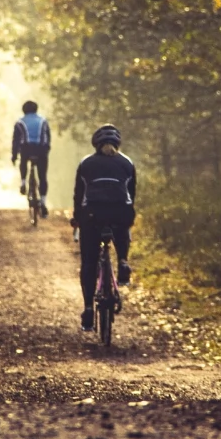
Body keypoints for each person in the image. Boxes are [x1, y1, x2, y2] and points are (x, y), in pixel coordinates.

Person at [69, 124, 135, 332]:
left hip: (92, 215)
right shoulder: (127, 163)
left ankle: (88, 310)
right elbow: (131, 195)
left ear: (95, 144)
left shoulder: (86, 163)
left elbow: (79, 195)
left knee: (89, 262)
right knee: (122, 224)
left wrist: (77, 219)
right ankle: (123, 261)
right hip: (119, 213)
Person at [12, 100, 52, 216]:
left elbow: (15, 142)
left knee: (23, 161)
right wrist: (46, 151)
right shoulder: (43, 121)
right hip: (41, 150)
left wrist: (14, 156)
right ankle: (43, 201)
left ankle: (23, 182)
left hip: (27, 149)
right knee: (42, 176)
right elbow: (48, 137)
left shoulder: (20, 122)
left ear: (23, 110)